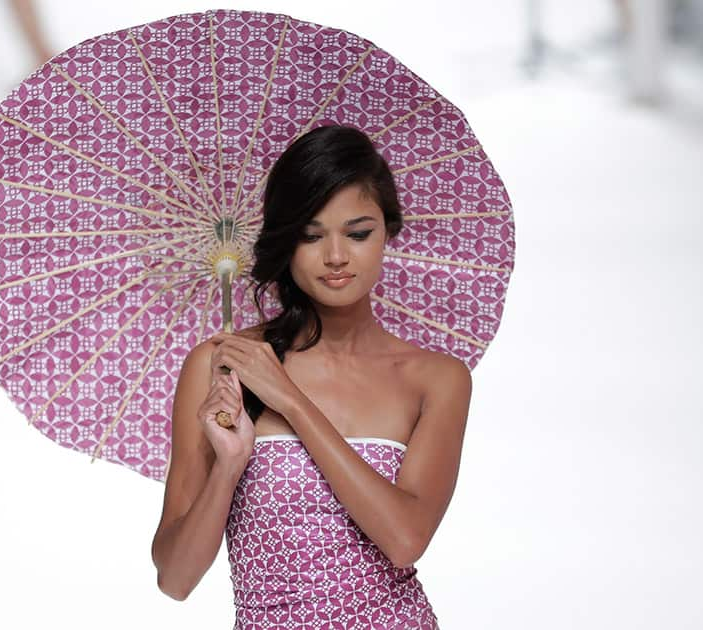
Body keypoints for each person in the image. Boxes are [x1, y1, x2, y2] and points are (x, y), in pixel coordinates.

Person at [150, 125, 472, 628]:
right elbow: (175, 578)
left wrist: (291, 401)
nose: (337, 256)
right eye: (311, 235)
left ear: (388, 230)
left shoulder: (437, 379)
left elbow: (405, 540)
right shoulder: (222, 366)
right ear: (286, 241)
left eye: (358, 233)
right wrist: (229, 465)